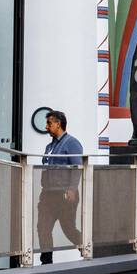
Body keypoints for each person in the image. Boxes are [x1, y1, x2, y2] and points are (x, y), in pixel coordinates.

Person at [38, 110, 83, 264]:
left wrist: (72, 189)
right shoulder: (49, 146)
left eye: (49, 123)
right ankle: (46, 263)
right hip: (47, 195)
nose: (46, 126)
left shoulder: (71, 143)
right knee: (43, 228)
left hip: (64, 194)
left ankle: (89, 248)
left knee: (68, 229)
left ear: (58, 124)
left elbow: (77, 167)